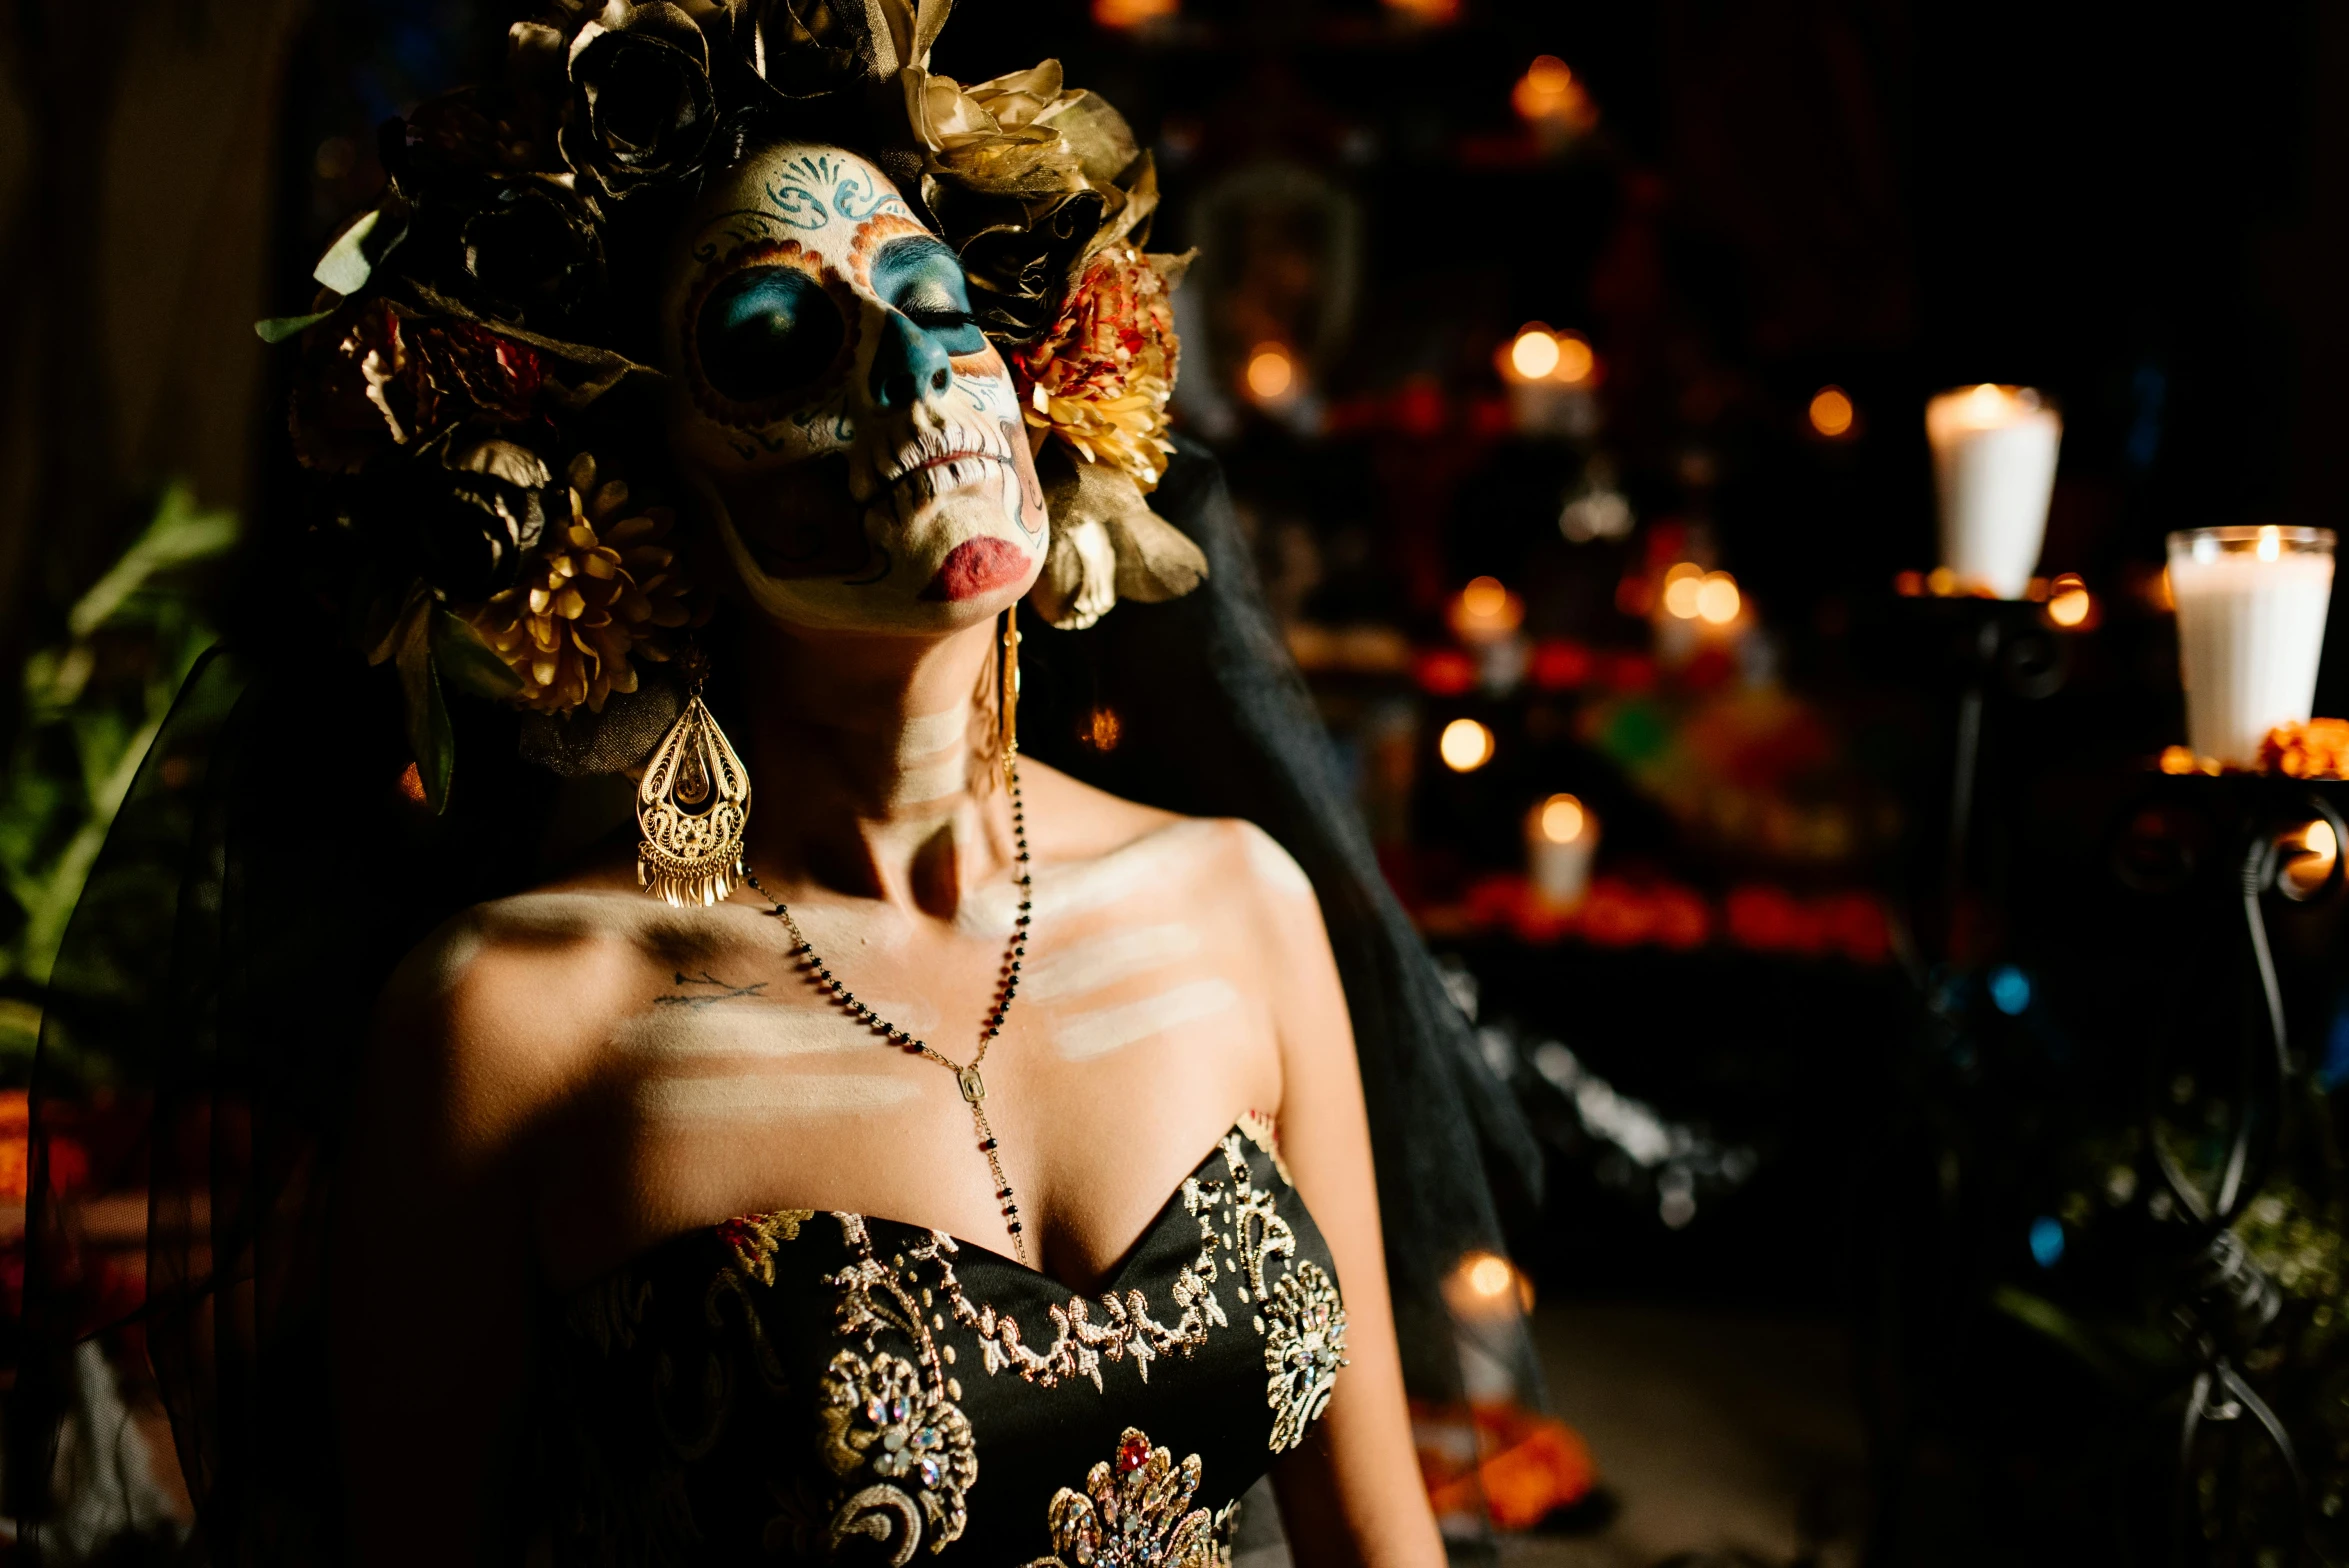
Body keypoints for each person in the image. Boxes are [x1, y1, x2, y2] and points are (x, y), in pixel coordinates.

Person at [22, 2, 1534, 1560]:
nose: (916, 372)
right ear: (642, 487)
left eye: (937, 303)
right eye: (771, 339)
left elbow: (1379, 1539)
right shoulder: (520, 1022)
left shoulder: (1236, 903)